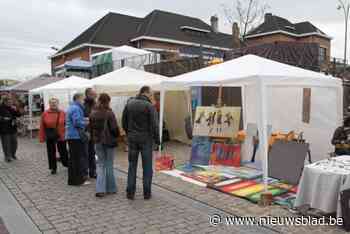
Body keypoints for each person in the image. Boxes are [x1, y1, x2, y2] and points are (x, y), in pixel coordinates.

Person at [122, 86, 159, 200]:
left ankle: (130, 192)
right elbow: (155, 125)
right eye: (151, 94)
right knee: (147, 167)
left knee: (132, 166)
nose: (152, 96)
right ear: (146, 93)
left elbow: (124, 122)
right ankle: (146, 193)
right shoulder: (149, 106)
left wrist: (129, 133)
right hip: (146, 140)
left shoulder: (129, 104)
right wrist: (157, 140)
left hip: (132, 139)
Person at [90, 93, 119, 197]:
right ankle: (111, 188)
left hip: (97, 141)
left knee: (100, 165)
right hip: (109, 141)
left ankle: (100, 189)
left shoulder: (93, 113)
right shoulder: (109, 113)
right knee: (109, 164)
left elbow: (90, 128)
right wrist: (118, 135)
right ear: (108, 101)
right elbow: (114, 129)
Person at [39, 98, 68, 174]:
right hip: (50, 135)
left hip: (61, 135)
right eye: (51, 102)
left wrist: (67, 134)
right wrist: (42, 137)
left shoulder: (63, 113)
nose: (53, 104)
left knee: (63, 151)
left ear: (58, 103)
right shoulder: (45, 113)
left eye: (55, 102)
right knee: (51, 152)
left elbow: (67, 124)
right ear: (49, 104)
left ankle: (66, 163)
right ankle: (53, 168)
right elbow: (42, 126)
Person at [66, 93, 90, 186]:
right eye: (83, 99)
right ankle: (78, 180)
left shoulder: (71, 107)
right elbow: (77, 122)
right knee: (77, 158)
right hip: (76, 136)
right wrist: (86, 122)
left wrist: (83, 119)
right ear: (78, 99)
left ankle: (72, 180)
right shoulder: (76, 108)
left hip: (71, 135)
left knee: (73, 158)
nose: (84, 101)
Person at [0, 96, 21, 162]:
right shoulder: (0, 108)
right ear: (5, 102)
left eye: (11, 102)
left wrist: (16, 109)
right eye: (9, 102)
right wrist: (3, 119)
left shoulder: (12, 108)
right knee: (6, 144)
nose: (10, 103)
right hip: (4, 129)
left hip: (13, 128)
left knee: (14, 142)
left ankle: (12, 154)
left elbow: (18, 115)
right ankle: (7, 157)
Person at [83, 88, 97, 179]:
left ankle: (93, 172)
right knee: (85, 153)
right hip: (86, 132)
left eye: (95, 94)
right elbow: (83, 119)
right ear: (88, 94)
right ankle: (85, 172)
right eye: (93, 94)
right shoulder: (83, 105)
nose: (95, 96)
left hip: (94, 132)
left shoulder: (95, 104)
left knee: (92, 152)